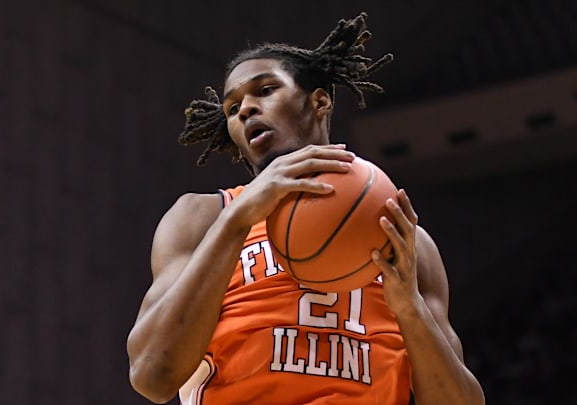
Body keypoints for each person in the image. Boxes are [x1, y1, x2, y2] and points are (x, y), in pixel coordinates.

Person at [126, 12, 484, 405]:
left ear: (319, 101)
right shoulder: (204, 217)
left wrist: (409, 308)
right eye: (232, 108)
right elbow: (151, 376)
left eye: (264, 90)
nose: (245, 110)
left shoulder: (404, 239)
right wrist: (237, 221)